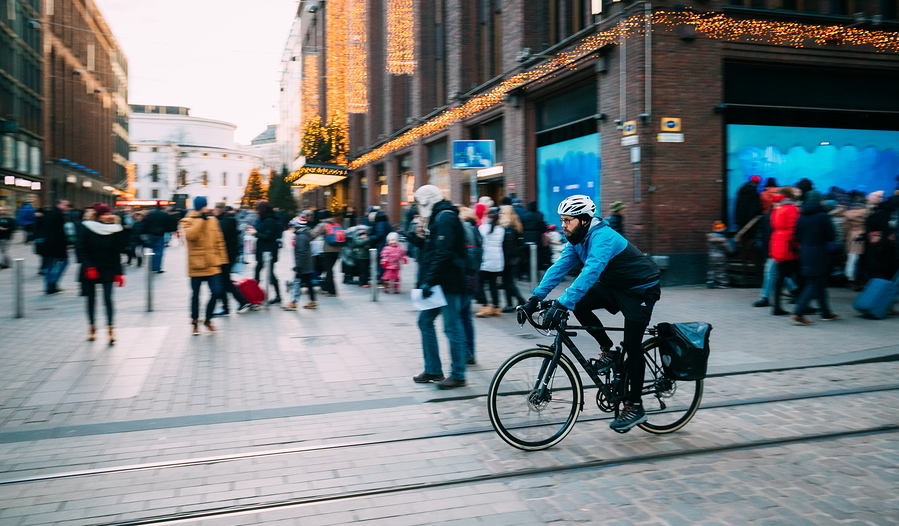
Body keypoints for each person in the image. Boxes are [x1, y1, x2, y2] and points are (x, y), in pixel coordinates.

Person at [521, 195, 661, 432]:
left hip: (640, 289)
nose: (563, 226)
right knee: (581, 305)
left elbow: (590, 272)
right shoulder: (578, 239)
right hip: (614, 285)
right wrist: (535, 298)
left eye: (567, 221)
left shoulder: (602, 237)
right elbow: (559, 268)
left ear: (584, 220)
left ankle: (635, 406)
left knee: (632, 345)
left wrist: (563, 303)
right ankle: (607, 350)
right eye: (562, 220)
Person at [405, 185, 469, 390]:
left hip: (447, 283)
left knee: (451, 327)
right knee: (426, 322)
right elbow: (435, 249)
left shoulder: (445, 217)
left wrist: (428, 282)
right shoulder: (439, 216)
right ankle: (433, 369)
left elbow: (443, 253)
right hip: (440, 282)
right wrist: (416, 239)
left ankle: (458, 374)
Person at [76, 203, 126, 344]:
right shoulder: (86, 228)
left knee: (108, 299)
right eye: (103, 214)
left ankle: (111, 329)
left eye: (108, 213)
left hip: (107, 268)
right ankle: (92, 327)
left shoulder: (114, 229)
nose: (106, 216)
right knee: (91, 300)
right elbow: (80, 249)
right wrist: (88, 266)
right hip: (90, 269)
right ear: (97, 216)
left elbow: (116, 253)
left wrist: (119, 273)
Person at [791, 191, 840, 325]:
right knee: (814, 283)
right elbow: (830, 235)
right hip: (819, 252)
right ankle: (798, 312)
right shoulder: (823, 216)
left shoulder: (801, 216)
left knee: (819, 283)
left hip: (805, 252)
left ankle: (825, 312)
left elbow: (798, 237)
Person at [181, 196, 227, 335]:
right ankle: (195, 323)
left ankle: (208, 318)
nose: (208, 208)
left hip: (213, 264)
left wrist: (222, 261)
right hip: (196, 265)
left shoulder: (213, 221)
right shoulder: (187, 220)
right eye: (205, 205)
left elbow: (219, 241)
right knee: (195, 295)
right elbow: (191, 236)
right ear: (200, 207)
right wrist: (201, 220)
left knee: (217, 291)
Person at [213, 203, 251, 316]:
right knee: (225, 280)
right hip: (231, 254)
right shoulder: (230, 220)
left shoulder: (222, 223)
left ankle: (236, 304)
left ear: (218, 211)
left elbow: (221, 241)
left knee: (224, 281)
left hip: (225, 256)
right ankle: (235, 304)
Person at [770, 187, 801, 316]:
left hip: (778, 245)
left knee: (779, 278)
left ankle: (777, 306)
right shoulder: (793, 209)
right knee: (800, 276)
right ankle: (802, 304)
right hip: (790, 246)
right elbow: (796, 228)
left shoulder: (777, 210)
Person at [458, 208, 482, 365]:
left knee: (460, 316)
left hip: (463, 278)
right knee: (466, 317)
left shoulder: (463, 229)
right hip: (473, 276)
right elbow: (480, 253)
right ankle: (470, 351)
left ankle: (466, 352)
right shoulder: (476, 231)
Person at [284, 211, 317, 310]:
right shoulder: (304, 234)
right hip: (306, 263)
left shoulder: (300, 236)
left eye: (292, 226)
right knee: (308, 283)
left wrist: (298, 266)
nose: (291, 228)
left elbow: (301, 252)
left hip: (302, 265)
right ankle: (312, 301)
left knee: (297, 283)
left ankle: (293, 302)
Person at [476, 207, 504, 317]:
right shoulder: (501, 230)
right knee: (493, 284)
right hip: (498, 260)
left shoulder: (482, 228)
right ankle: (496, 307)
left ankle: (485, 305)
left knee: (480, 283)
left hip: (486, 259)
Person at [253, 200, 283, 305]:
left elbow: (268, 236)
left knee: (269, 274)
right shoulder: (265, 219)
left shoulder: (270, 220)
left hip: (268, 251)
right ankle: (255, 294)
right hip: (264, 250)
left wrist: (255, 233)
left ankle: (278, 295)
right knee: (260, 271)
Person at [499, 205, 527, 311]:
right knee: (507, 282)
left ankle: (519, 301)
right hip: (512, 258)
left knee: (508, 282)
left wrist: (504, 260)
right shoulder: (514, 225)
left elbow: (509, 246)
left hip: (509, 259)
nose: (500, 215)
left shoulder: (508, 228)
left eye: (502, 213)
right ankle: (511, 303)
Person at [310, 210, 344, 296]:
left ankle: (332, 291)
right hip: (337, 250)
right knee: (328, 269)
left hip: (327, 251)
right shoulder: (337, 224)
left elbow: (313, 235)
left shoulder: (323, 225)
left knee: (329, 271)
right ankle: (326, 287)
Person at [43, 200, 71, 294]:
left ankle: (50, 286)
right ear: (58, 205)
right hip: (57, 245)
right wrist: (66, 243)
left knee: (50, 265)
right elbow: (60, 232)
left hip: (48, 244)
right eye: (65, 205)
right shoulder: (58, 215)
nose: (67, 207)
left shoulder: (49, 214)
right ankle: (52, 282)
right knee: (63, 262)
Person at [706, 221, 733, 288]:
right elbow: (728, 249)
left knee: (712, 269)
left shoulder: (710, 238)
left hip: (711, 256)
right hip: (720, 257)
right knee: (721, 270)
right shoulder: (723, 239)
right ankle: (722, 284)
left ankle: (710, 281)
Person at [144, 204, 170, 273]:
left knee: (153, 251)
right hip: (160, 234)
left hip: (151, 234)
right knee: (159, 251)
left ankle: (152, 266)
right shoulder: (164, 214)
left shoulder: (150, 214)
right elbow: (167, 224)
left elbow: (146, 224)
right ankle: (158, 267)